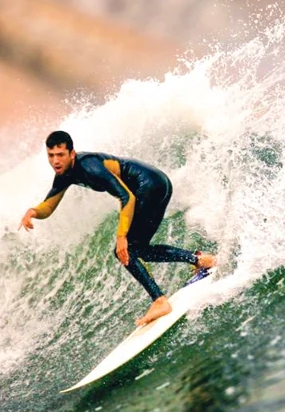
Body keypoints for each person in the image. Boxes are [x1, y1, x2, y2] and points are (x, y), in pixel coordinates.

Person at [18, 131, 216, 327]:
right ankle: (200, 260)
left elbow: (126, 197)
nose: (55, 161)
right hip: (156, 184)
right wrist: (33, 212)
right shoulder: (64, 175)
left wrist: (122, 236)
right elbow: (49, 206)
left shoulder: (89, 166)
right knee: (140, 250)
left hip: (148, 187)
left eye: (60, 155)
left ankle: (159, 301)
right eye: (51, 156)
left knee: (126, 250)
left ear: (72, 153)